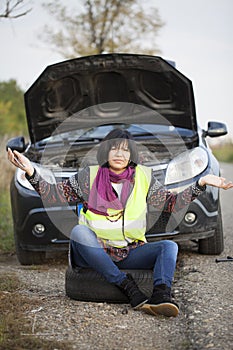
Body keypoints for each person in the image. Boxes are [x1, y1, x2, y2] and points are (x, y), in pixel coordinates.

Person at [7, 128, 233, 317]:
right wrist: (31, 171)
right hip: (94, 252)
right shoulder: (89, 176)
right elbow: (54, 194)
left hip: (129, 252)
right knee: (79, 232)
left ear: (131, 154)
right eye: (114, 148)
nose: (119, 153)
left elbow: (171, 203)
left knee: (169, 246)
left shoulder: (144, 176)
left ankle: (161, 294)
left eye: (125, 149)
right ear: (106, 151)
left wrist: (201, 183)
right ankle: (126, 285)